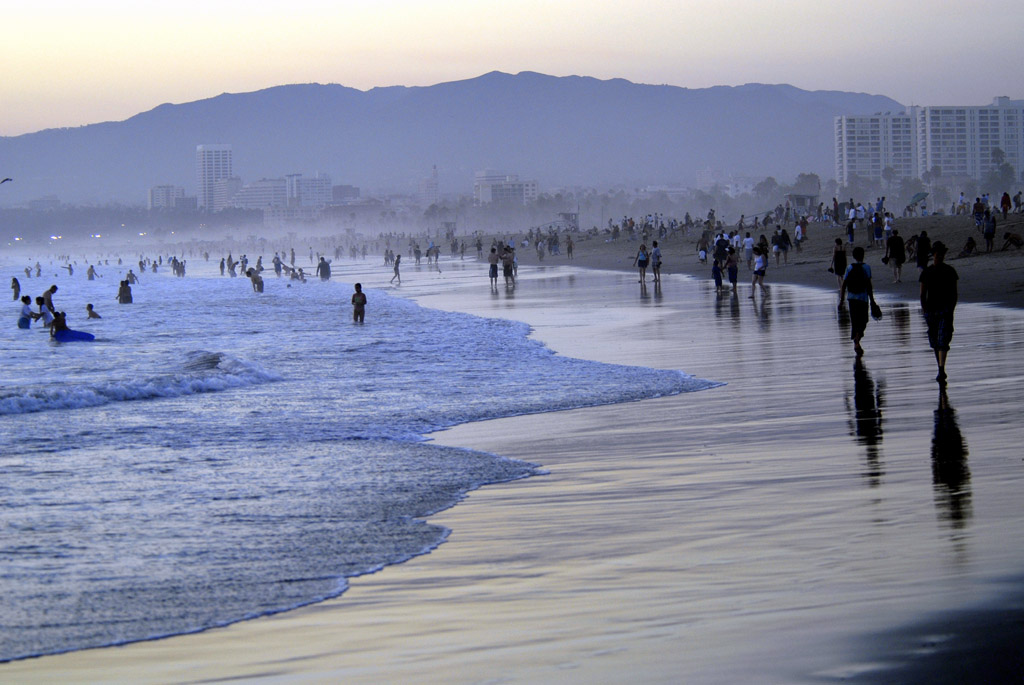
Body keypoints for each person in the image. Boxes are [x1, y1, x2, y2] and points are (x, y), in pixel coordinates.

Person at [920, 241, 958, 383]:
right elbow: (922, 295)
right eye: (938, 254)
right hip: (932, 311)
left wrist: (952, 309)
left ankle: (941, 369)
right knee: (936, 341)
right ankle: (940, 367)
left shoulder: (950, 271)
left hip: (945, 310)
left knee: (943, 340)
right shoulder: (927, 272)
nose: (940, 256)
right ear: (934, 255)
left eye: (942, 254)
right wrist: (925, 312)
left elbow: (954, 293)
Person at [839, 246, 877, 358]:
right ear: (863, 255)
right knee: (864, 320)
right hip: (863, 299)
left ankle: (856, 340)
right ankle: (857, 339)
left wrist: (841, 301)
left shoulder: (849, 268)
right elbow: (869, 286)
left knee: (855, 321)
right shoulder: (866, 267)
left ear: (854, 256)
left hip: (851, 299)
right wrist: (872, 301)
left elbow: (844, 285)